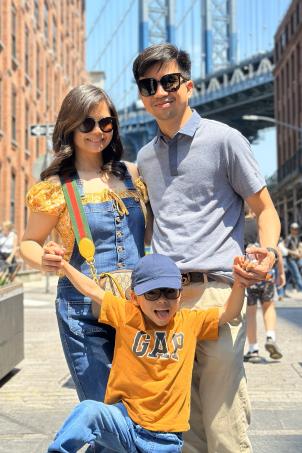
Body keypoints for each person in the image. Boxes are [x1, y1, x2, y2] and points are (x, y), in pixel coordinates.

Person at [132, 43, 281, 452]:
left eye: (169, 80)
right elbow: (149, 229)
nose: (159, 90)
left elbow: (265, 211)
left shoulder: (225, 140)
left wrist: (265, 252)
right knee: (185, 430)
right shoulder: (144, 158)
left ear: (189, 86)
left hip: (218, 295)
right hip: (165, 303)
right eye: (149, 85)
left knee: (224, 427)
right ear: (142, 98)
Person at [20, 85, 148, 434]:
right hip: (83, 310)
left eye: (106, 122)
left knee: (141, 413)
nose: (98, 131)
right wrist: (44, 257)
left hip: (138, 309)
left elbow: (150, 237)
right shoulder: (55, 187)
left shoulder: (133, 175)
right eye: (87, 123)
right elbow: (29, 242)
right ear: (70, 127)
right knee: (104, 411)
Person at [44, 249, 246, 453]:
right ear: (134, 297)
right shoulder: (126, 314)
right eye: (151, 293)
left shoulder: (189, 322)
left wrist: (239, 283)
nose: (161, 300)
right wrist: (64, 266)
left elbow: (229, 312)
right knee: (88, 410)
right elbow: (92, 290)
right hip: (125, 423)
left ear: (180, 295)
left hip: (165, 439)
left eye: (169, 291)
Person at [243, 207, 285, 362]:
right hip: (266, 274)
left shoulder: (238, 225)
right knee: (268, 306)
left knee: (251, 312)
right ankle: (270, 337)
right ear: (253, 211)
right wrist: (281, 273)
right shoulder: (263, 224)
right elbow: (276, 250)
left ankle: (253, 349)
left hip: (248, 275)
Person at [281, 222, 302, 291]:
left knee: (288, 275)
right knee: (297, 275)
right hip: (290, 259)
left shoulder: (297, 237)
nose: (295, 230)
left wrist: (299, 250)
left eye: (296, 229)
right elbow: (285, 249)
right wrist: (294, 253)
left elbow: (298, 245)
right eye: (294, 229)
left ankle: (281, 292)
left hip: (296, 259)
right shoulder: (288, 238)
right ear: (291, 229)